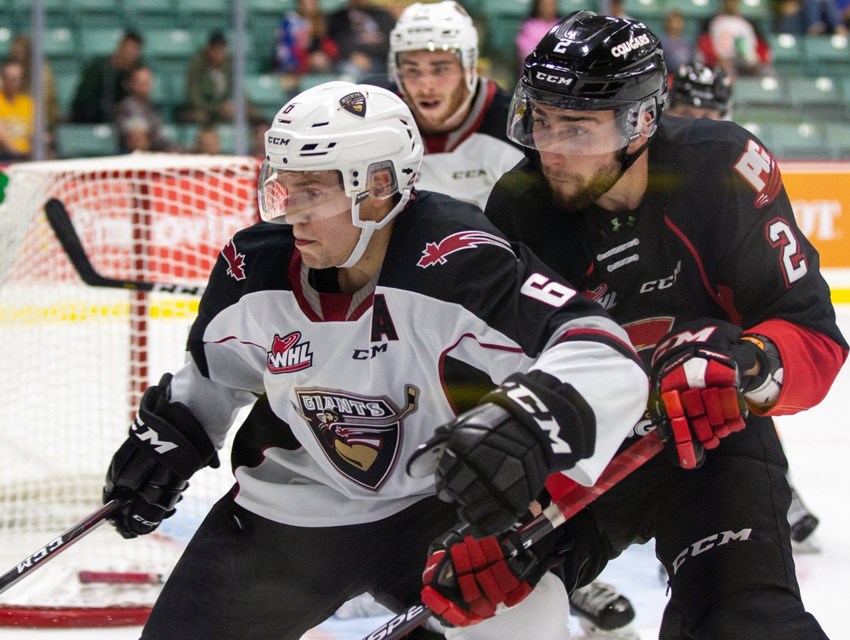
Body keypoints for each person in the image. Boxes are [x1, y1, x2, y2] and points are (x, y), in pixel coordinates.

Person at [100, 80, 649, 640]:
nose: (293, 214)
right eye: (283, 188)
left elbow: (599, 348)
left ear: (381, 186)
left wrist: (527, 421)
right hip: (288, 515)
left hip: (434, 511)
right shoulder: (251, 268)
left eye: (313, 191)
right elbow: (215, 379)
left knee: (526, 620)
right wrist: (170, 439)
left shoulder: (456, 257)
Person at [482, 12, 848, 638]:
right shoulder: (518, 207)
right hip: (582, 458)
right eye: (540, 120)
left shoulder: (722, 170)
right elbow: (504, 372)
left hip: (710, 443)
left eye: (576, 126)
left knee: (747, 623)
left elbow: (813, 337)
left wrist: (749, 363)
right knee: (488, 612)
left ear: (640, 122)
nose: (551, 147)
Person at [667, 61, 825, 550]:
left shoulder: (737, 160)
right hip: (670, 300)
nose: (699, 119)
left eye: (710, 110)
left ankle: (772, 489)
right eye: (688, 109)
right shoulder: (652, 165)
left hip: (727, 300)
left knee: (744, 382)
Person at [385, 0, 523, 210]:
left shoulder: (514, 127)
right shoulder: (382, 122)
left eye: (440, 69)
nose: (425, 86)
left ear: (469, 69)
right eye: (412, 71)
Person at [180, 31, 259, 125]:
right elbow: (193, 98)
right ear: (208, 49)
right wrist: (219, 107)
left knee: (253, 114)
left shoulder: (229, 65)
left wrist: (241, 106)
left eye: (221, 50)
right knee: (199, 116)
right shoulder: (197, 65)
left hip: (224, 111)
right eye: (215, 50)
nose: (218, 54)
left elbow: (240, 91)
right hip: (204, 110)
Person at [71, 30, 143, 123]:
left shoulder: (134, 73)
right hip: (92, 119)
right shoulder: (98, 68)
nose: (131, 56)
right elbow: (83, 101)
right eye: (129, 50)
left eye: (136, 51)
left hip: (123, 122)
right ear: (120, 48)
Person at [697, 0, 773, 79]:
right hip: (723, 62)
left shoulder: (749, 23)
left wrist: (756, 59)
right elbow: (704, 46)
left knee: (766, 71)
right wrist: (717, 58)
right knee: (725, 71)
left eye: (734, 1)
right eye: (729, 1)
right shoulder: (709, 23)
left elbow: (761, 46)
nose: (731, 3)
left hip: (747, 62)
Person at [326, 0, 395, 81]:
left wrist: (372, 56)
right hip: (350, 61)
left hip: (382, 61)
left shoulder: (383, 15)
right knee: (350, 70)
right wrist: (352, 55)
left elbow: (392, 42)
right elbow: (336, 42)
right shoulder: (338, 17)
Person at [114, 65, 178, 153]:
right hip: (132, 152)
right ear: (131, 84)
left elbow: (158, 136)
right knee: (139, 139)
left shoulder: (153, 107)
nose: (144, 86)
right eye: (140, 82)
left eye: (147, 82)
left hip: (155, 149)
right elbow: (132, 137)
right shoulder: (124, 107)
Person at [275, 0, 341, 77]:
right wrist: (308, 61)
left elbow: (331, 49)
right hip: (294, 67)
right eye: (305, 3)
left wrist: (325, 57)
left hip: (318, 66)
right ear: (300, 4)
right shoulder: (290, 22)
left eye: (311, 3)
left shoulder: (322, 21)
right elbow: (284, 53)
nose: (308, 7)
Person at [0, 59, 33, 162]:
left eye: (16, 78)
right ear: (3, 79)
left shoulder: (28, 103)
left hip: (29, 157)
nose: (13, 82)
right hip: (5, 159)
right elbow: (3, 138)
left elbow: (34, 133)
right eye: (10, 78)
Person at [515, 0, 560, 73]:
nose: (548, 8)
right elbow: (526, 53)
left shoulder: (562, 25)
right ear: (537, 6)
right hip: (534, 72)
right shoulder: (528, 26)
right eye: (545, 5)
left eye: (551, 4)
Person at [659, 10, 696, 75]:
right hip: (668, 77)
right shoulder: (662, 42)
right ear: (667, 23)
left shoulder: (687, 42)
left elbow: (693, 60)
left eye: (679, 22)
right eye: (673, 21)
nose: (676, 25)